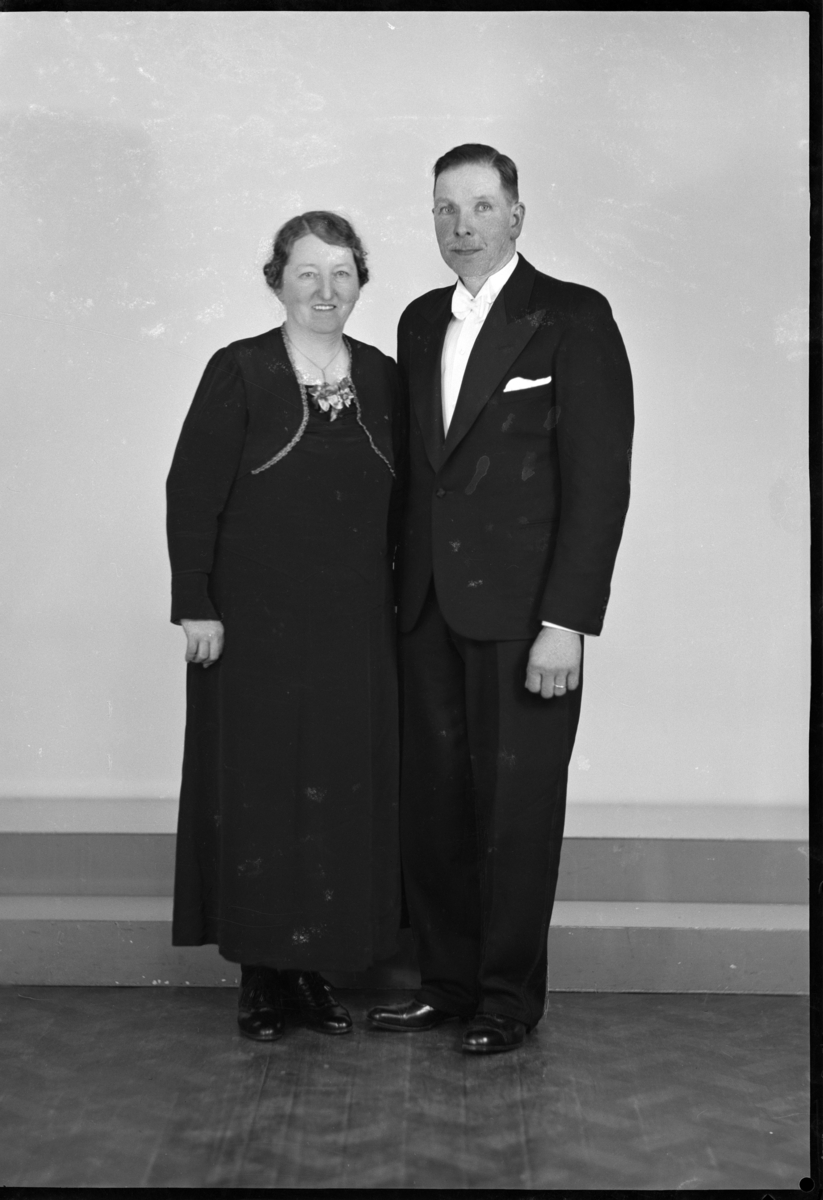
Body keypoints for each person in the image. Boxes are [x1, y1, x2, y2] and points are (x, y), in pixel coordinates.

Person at [368, 144, 634, 1053]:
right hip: (425, 610)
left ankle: (507, 1002)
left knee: (517, 814)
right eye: (445, 209)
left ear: (516, 215)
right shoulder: (416, 321)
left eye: (481, 206)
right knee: (434, 807)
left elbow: (599, 484)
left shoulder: (573, 315)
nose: (462, 226)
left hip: (527, 619)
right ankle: (445, 985)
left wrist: (567, 622)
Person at [166, 212, 403, 1042]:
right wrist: (194, 603)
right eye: (308, 273)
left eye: (341, 273)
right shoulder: (239, 370)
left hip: (355, 634)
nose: (325, 291)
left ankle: (310, 972)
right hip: (254, 632)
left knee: (338, 796)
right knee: (262, 796)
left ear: (360, 281)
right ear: (278, 281)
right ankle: (262, 978)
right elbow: (191, 491)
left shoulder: (385, 378)